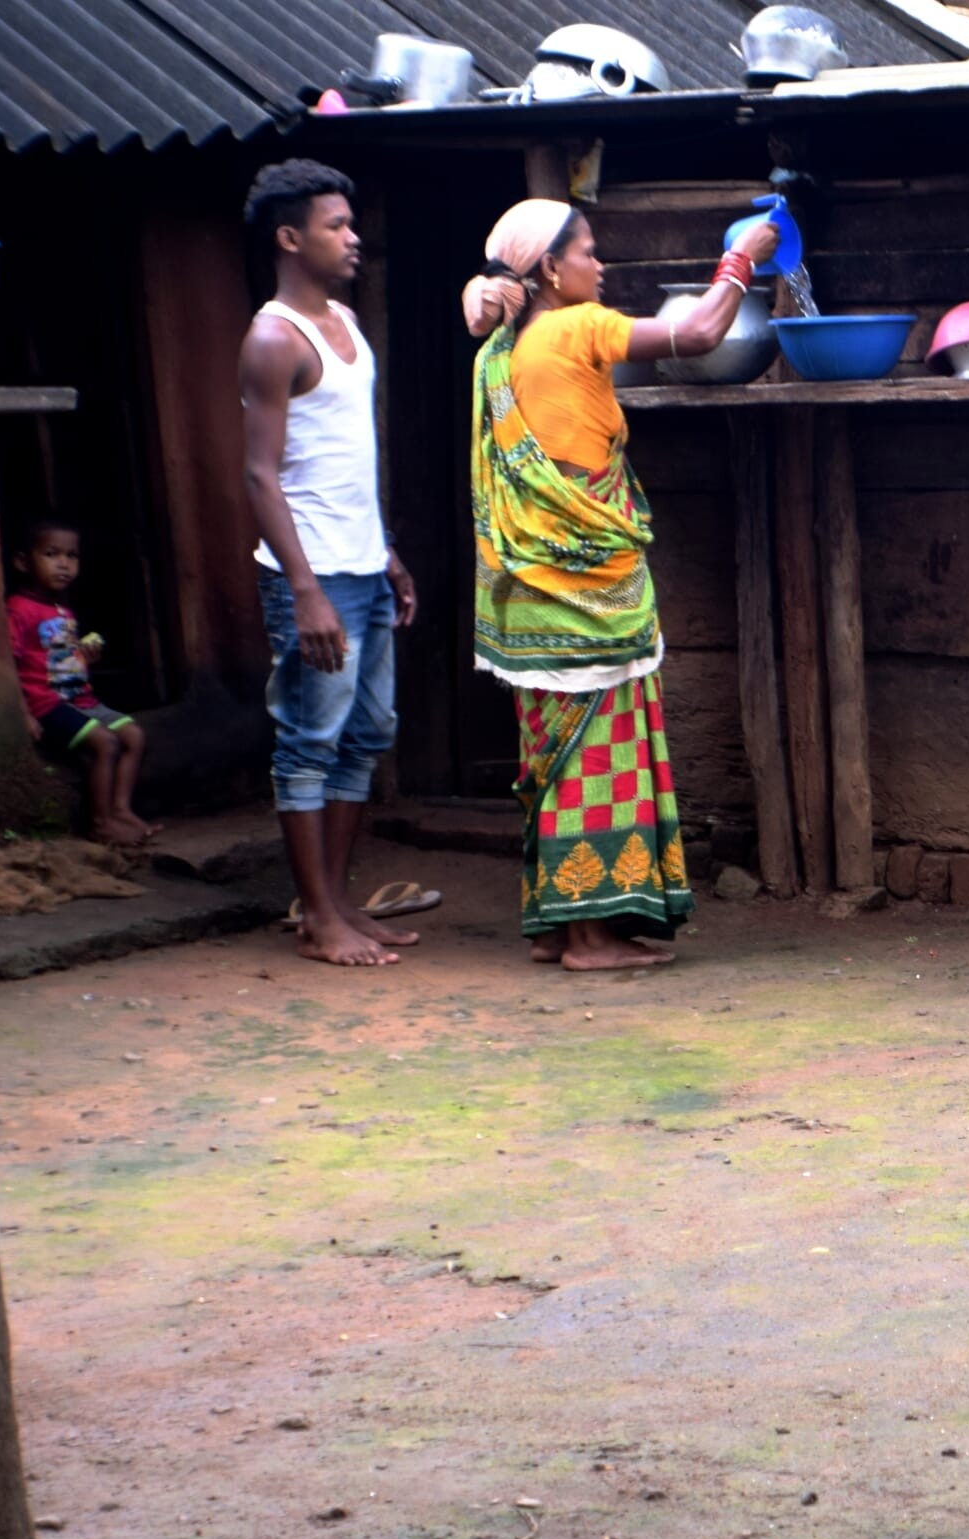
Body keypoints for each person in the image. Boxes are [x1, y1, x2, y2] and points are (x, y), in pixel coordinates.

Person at [461, 200, 774, 972]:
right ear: (547, 269)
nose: (600, 267)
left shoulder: (499, 351)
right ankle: (590, 940)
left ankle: (552, 924)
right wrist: (743, 259)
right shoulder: (576, 326)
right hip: (586, 585)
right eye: (589, 253)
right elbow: (700, 335)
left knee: (549, 753)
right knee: (595, 757)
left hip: (527, 592)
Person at [238, 158, 421, 969]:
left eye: (351, 223)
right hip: (311, 578)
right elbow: (259, 473)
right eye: (335, 226)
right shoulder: (275, 337)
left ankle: (340, 902)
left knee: (367, 733)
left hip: (362, 564)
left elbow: (345, 457)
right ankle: (317, 915)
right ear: (289, 237)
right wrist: (306, 591)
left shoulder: (344, 320)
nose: (353, 238)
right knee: (309, 742)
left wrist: (384, 552)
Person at [5, 517, 155, 846]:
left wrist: (85, 657)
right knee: (106, 743)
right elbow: (11, 664)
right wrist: (24, 714)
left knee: (133, 735)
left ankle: (120, 809)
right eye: (51, 554)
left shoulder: (62, 609)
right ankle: (100, 823)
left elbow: (57, 659)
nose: (63, 564)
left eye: (71, 556)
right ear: (22, 561)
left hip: (81, 700)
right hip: (47, 704)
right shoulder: (19, 609)